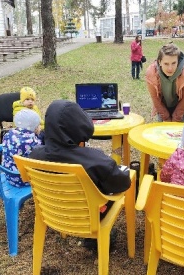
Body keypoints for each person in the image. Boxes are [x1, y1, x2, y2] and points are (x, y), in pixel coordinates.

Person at [29, 100, 131, 248]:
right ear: (81, 126)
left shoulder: (34, 155)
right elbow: (121, 183)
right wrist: (125, 171)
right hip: (89, 217)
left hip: (53, 213)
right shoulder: (97, 161)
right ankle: (95, 239)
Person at [145, 42, 184, 122]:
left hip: (182, 104)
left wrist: (176, 117)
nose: (170, 68)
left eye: (173, 63)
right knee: (163, 130)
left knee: (177, 131)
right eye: (166, 64)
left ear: (178, 61)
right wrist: (166, 117)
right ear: (159, 62)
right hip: (163, 104)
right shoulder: (151, 73)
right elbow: (155, 98)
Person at [2, 109, 42, 188]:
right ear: (35, 127)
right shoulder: (34, 142)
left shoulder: (9, 134)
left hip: (8, 175)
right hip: (23, 180)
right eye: (38, 125)